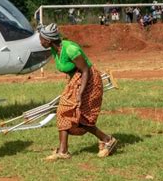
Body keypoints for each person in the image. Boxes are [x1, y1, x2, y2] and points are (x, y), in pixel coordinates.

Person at [38, 24, 117, 161]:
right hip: (76, 80)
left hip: (89, 81)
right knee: (63, 111)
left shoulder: (71, 49)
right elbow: (70, 69)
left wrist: (80, 93)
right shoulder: (54, 50)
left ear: (49, 40)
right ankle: (63, 151)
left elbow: (85, 70)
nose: (40, 41)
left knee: (81, 115)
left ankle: (108, 140)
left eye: (41, 39)